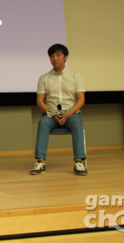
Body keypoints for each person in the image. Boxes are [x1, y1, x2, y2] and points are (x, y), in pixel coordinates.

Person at [31, 43, 87, 176]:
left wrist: (69, 114)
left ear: (65, 57)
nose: (55, 59)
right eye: (52, 56)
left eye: (58, 55)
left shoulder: (75, 76)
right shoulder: (44, 78)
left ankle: (79, 162)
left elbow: (81, 99)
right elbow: (40, 101)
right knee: (43, 122)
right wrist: (52, 113)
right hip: (51, 114)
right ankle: (40, 161)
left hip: (71, 113)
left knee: (77, 122)